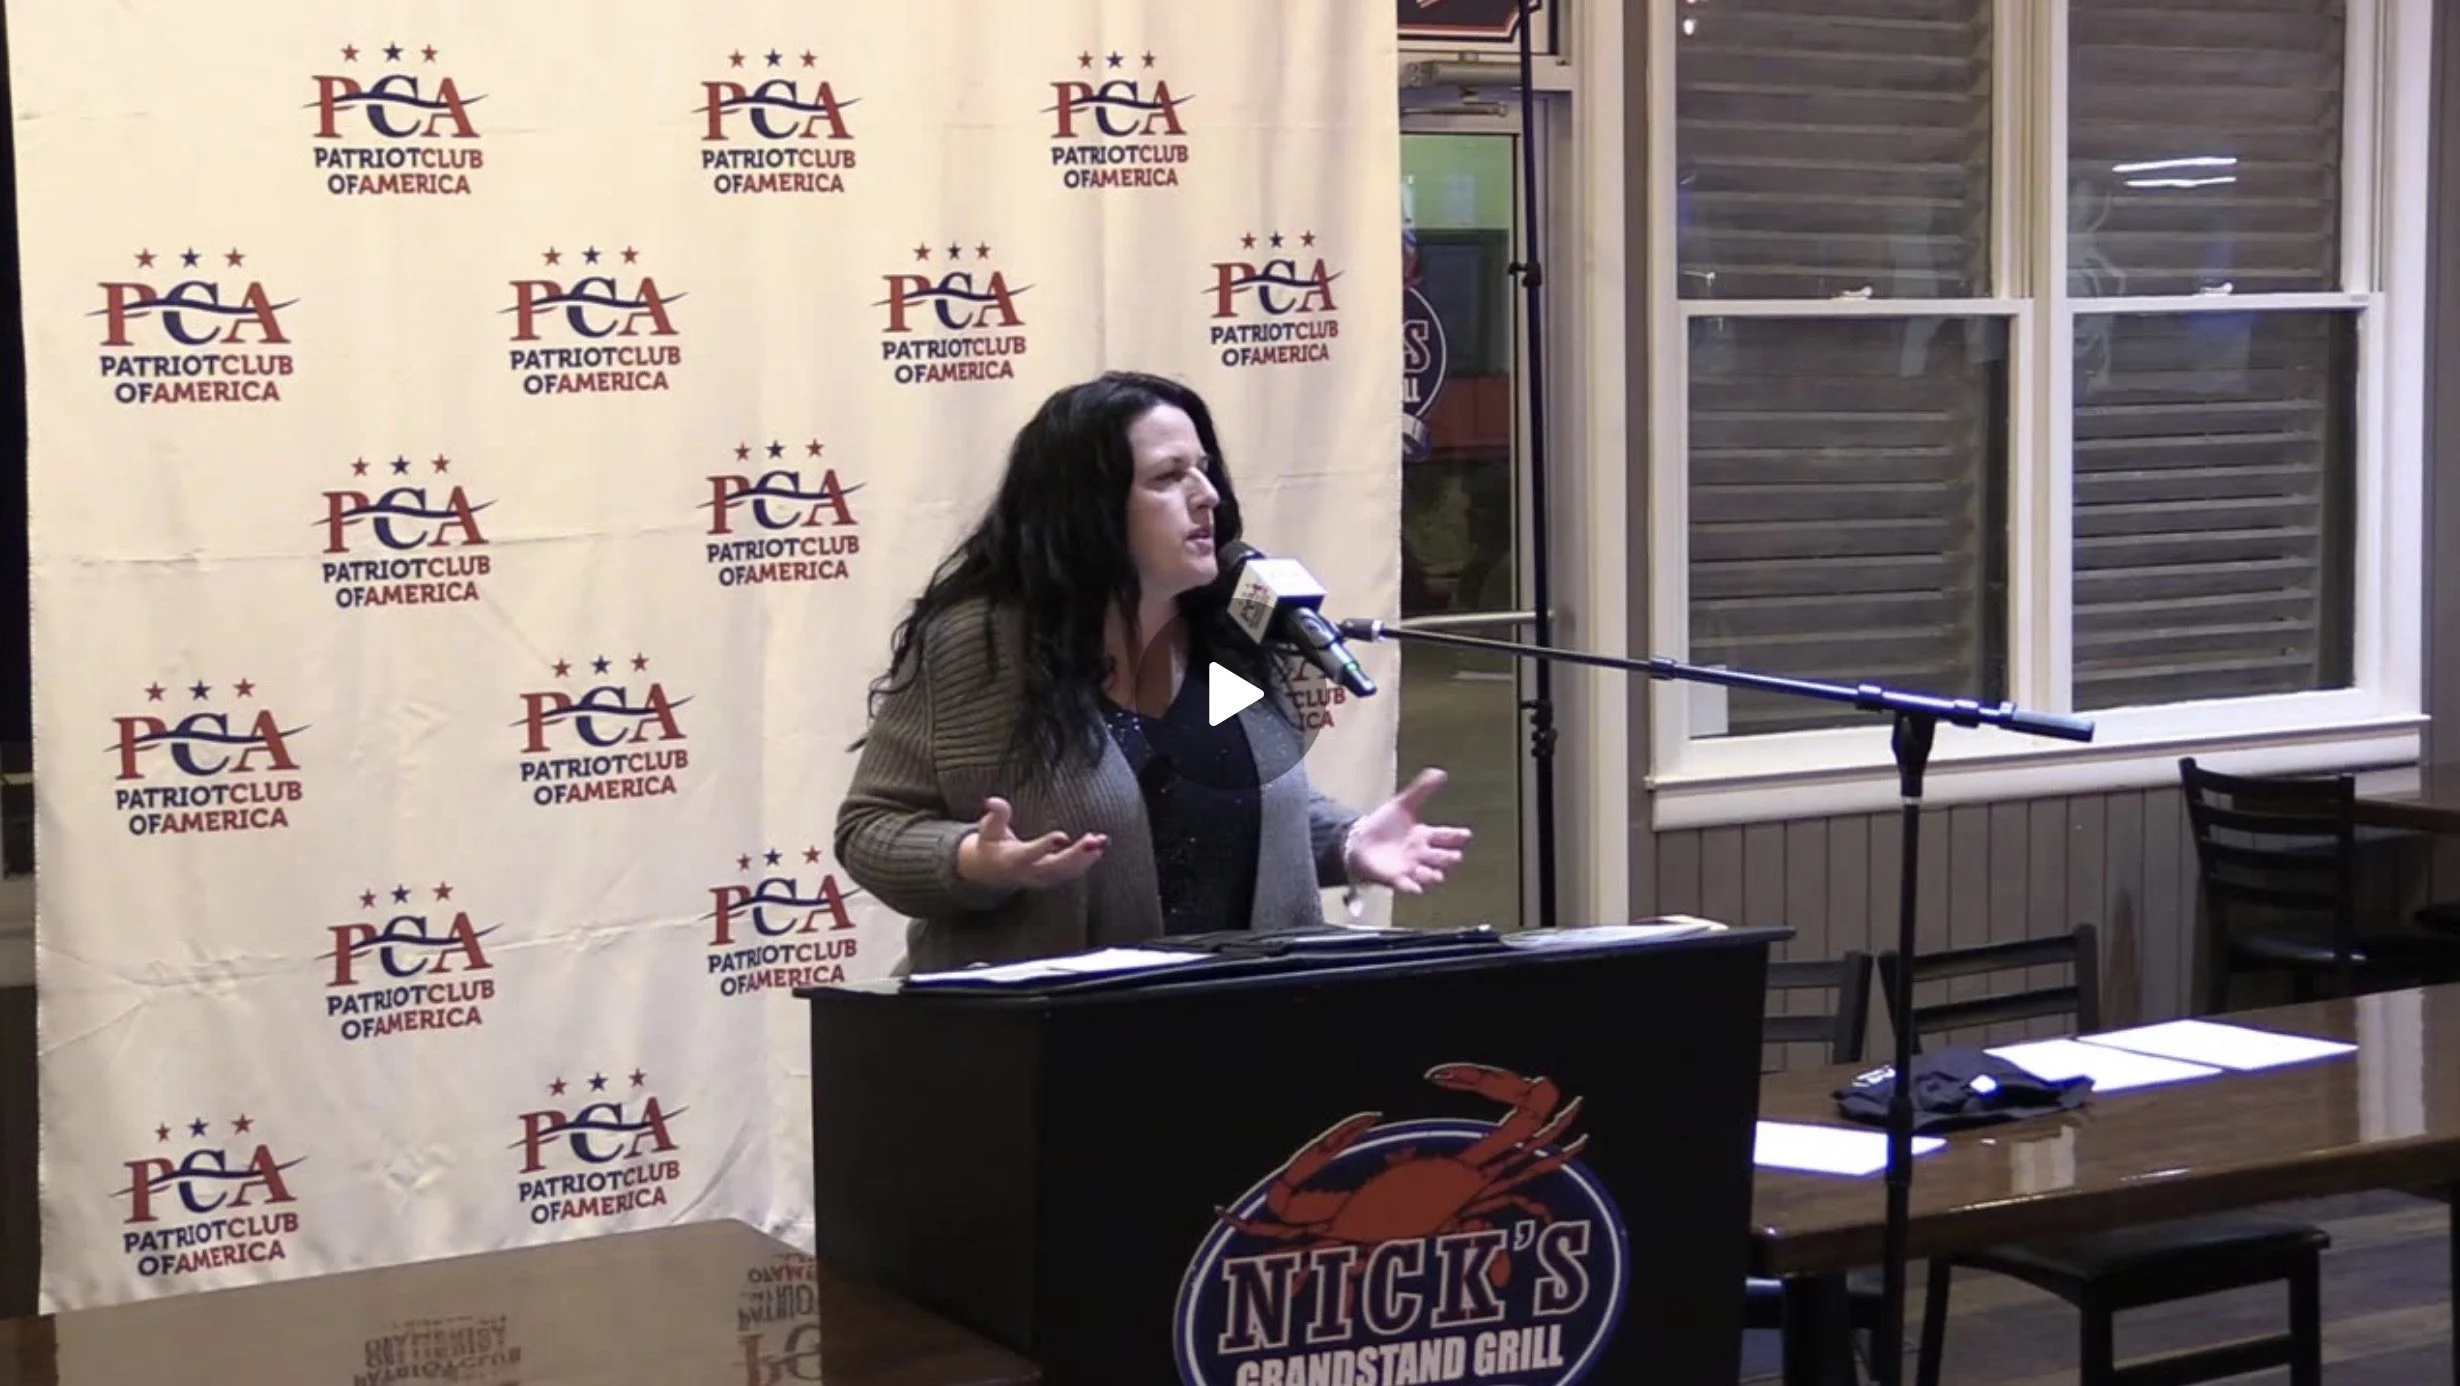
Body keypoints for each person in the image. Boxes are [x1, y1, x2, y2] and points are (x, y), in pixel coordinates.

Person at [835, 370, 1472, 973]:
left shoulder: (1225, 636)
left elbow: (1233, 806)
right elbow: (872, 829)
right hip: (1052, 1042)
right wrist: (975, 860)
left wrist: (1350, 840)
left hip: (1238, 1031)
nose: (1208, 496)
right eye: (1169, 477)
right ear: (1090, 508)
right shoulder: (985, 646)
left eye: (1205, 469)